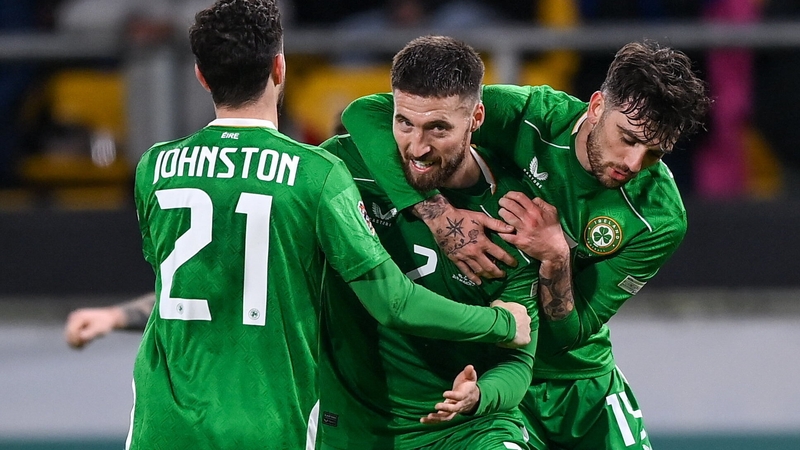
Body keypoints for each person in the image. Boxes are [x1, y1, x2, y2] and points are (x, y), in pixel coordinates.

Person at [126, 2, 532, 449]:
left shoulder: (153, 167)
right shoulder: (316, 174)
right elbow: (393, 301)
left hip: (160, 423)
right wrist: (501, 324)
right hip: (269, 420)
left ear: (201, 75)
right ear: (280, 67)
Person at [342, 39, 711, 449]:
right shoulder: (532, 116)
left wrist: (555, 257)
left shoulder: (660, 216)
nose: (633, 163)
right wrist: (438, 215)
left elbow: (573, 333)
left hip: (576, 383)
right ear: (595, 107)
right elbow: (369, 113)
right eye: (627, 138)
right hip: (493, 378)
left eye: (654, 153)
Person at [316, 36, 562, 449]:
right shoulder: (342, 168)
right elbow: (360, 112)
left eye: (439, 128)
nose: (417, 146)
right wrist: (435, 212)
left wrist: (481, 395)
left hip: (466, 432)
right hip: (352, 426)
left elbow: (519, 358)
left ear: (476, 117)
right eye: (404, 122)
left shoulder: (515, 215)